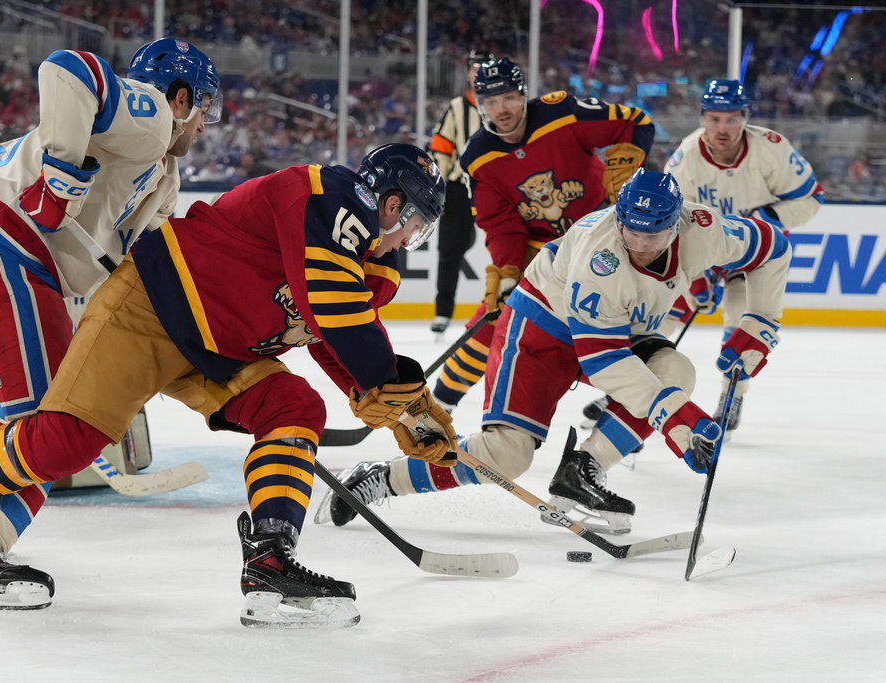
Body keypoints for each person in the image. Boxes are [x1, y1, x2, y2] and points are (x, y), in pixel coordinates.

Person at [0, 143, 457, 628]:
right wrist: (388, 385)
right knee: (65, 442)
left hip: (222, 350)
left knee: (293, 405)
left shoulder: (371, 262)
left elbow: (332, 337)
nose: (412, 239)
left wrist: (407, 414)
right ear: (389, 200)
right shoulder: (323, 194)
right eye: (415, 223)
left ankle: (271, 564)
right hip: (150, 309)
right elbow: (333, 309)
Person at [0, 38, 223, 610]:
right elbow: (69, 69)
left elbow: (124, 281)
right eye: (205, 109)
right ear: (183, 98)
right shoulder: (151, 114)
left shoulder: (162, 180)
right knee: (50, 435)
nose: (204, 126)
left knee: (42, 435)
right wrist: (62, 176)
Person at [319, 169, 791, 536]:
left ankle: (582, 470)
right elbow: (605, 363)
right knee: (506, 456)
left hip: (616, 331)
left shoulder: (705, 228)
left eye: (654, 235)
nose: (641, 246)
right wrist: (678, 420)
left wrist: (760, 320)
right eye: (632, 232)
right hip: (541, 330)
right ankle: (383, 478)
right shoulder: (599, 257)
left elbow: (774, 246)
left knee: (676, 371)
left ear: (678, 223)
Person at [430, 57, 655, 413]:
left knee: (614, 326)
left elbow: (635, 123)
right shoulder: (477, 157)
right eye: (490, 101)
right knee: (493, 321)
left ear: (523, 95)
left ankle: (626, 407)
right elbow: (502, 224)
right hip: (543, 252)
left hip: (601, 236)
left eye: (507, 97)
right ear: (479, 104)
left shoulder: (563, 112)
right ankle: (439, 406)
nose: (500, 109)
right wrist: (507, 272)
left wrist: (625, 162)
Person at [658, 79, 821, 435]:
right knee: (661, 315)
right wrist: (696, 277)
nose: (722, 129)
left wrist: (772, 217)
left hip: (758, 252)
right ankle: (632, 393)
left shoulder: (771, 148)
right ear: (702, 118)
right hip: (704, 249)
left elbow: (811, 199)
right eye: (714, 119)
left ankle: (732, 395)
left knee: (740, 324)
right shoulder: (685, 159)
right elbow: (670, 225)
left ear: (745, 118)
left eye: (731, 119)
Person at [428, 49, 493, 337]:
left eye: (483, 67)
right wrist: (437, 188)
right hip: (457, 188)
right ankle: (443, 312)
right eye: (473, 67)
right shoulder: (456, 108)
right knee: (449, 251)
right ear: (467, 72)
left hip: (495, 188)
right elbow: (441, 149)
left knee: (508, 250)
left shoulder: (502, 106)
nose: (477, 72)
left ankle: (507, 305)